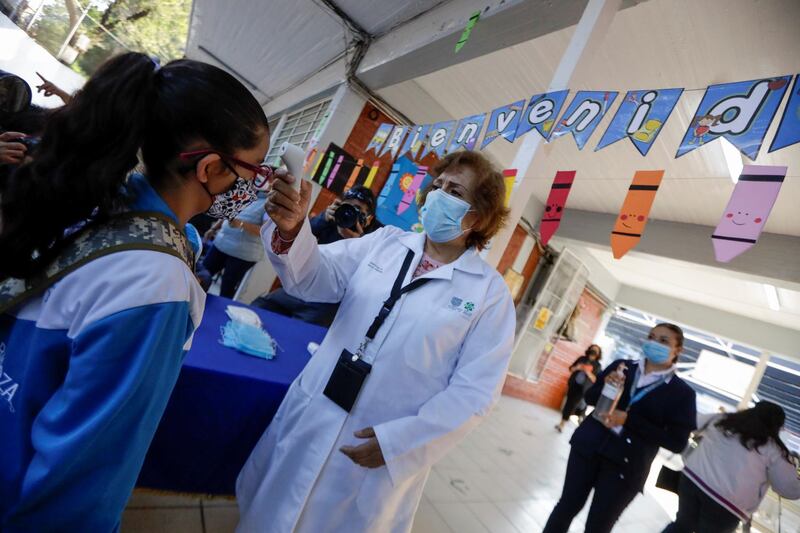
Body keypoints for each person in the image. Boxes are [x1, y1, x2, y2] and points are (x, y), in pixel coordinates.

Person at [0, 52, 270, 531]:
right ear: (210, 168)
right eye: (253, 172)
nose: (253, 188)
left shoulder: (91, 199)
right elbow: (85, 473)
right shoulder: (157, 284)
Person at [236, 150, 516, 532]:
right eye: (437, 185)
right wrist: (292, 229)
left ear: (479, 216)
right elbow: (313, 276)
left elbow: (475, 392)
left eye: (454, 190)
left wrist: (399, 442)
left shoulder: (489, 295)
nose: (437, 194)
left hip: (376, 444)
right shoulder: (384, 242)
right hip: (316, 410)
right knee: (271, 513)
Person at [543, 323, 697, 533]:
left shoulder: (682, 393)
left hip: (626, 465)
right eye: (651, 337)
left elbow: (677, 442)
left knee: (598, 525)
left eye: (663, 341)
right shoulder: (622, 366)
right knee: (566, 506)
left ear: (678, 350)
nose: (654, 343)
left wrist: (629, 420)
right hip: (588, 446)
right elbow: (589, 397)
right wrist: (606, 386)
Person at [251, 185, 382, 327]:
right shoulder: (332, 219)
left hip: (326, 302)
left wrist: (358, 242)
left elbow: (373, 275)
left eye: (356, 210)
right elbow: (299, 240)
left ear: (368, 219)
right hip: (301, 289)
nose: (348, 213)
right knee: (258, 309)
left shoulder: (374, 238)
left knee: (297, 334)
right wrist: (323, 218)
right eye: (346, 206)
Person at [663, 402, 800, 533]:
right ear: (777, 426)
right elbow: (789, 489)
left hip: (692, 481)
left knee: (681, 526)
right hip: (727, 504)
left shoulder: (723, 420)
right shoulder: (774, 450)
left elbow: (691, 422)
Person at [197, 189, 269, 298]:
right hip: (220, 243)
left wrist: (241, 224)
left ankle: (217, 314)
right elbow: (229, 213)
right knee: (200, 276)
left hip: (242, 255)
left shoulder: (271, 205)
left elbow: (265, 231)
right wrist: (214, 228)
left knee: (227, 289)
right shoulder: (248, 193)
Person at [556, 344, 602, 432]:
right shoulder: (582, 359)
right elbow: (571, 369)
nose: (593, 352)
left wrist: (588, 371)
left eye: (596, 351)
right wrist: (578, 367)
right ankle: (562, 423)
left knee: (573, 404)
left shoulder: (597, 365)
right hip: (574, 384)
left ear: (598, 354)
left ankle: (572, 419)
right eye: (592, 349)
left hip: (584, 389)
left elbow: (595, 379)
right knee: (569, 403)